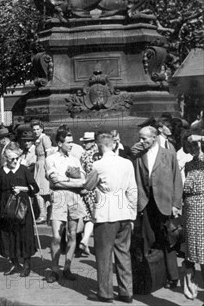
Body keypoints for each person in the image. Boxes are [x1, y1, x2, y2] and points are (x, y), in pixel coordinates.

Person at [84, 133, 137, 303]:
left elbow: (88, 186)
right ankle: (126, 292)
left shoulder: (98, 165)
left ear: (99, 146)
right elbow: (133, 190)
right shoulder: (127, 163)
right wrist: (132, 215)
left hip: (106, 213)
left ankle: (105, 293)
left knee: (104, 255)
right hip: (125, 212)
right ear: (113, 145)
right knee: (123, 253)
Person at [133, 126, 182, 289]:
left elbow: (177, 179)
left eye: (144, 138)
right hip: (147, 203)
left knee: (168, 240)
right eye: (140, 138)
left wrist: (176, 204)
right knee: (148, 240)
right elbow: (138, 180)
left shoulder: (168, 155)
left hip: (165, 203)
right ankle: (152, 277)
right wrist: (139, 203)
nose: (141, 141)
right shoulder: (139, 156)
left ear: (154, 137)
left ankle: (173, 276)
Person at [45, 129, 87, 283]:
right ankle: (55, 269)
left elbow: (84, 180)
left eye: (72, 141)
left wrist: (66, 181)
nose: (72, 145)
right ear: (60, 143)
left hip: (75, 198)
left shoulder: (75, 159)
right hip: (59, 197)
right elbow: (55, 181)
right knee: (56, 235)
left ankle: (67, 267)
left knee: (72, 234)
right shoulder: (51, 159)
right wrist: (74, 182)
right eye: (69, 142)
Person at [0, 143, 39, 277]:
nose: (14, 161)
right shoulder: (2, 172)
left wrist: (22, 189)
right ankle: (14, 263)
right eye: (11, 159)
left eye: (16, 158)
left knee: (24, 235)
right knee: (9, 235)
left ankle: (27, 264)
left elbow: (35, 188)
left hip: (22, 208)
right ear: (5, 158)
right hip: (7, 209)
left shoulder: (24, 170)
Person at [182, 132, 204, 300]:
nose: (195, 149)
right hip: (190, 211)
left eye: (197, 146)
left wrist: (199, 138)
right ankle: (191, 285)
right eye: (191, 147)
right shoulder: (188, 165)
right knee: (191, 252)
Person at [77, 131, 99, 257]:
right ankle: (87, 241)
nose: (85, 144)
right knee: (94, 217)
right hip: (93, 189)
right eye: (84, 142)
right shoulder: (94, 154)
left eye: (87, 142)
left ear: (93, 142)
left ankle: (85, 240)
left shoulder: (86, 155)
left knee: (90, 217)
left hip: (87, 188)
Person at [32, 120, 52, 224]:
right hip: (38, 164)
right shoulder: (37, 139)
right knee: (42, 191)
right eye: (34, 129)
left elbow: (49, 154)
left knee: (40, 191)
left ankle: (43, 215)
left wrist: (47, 168)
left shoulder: (45, 138)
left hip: (43, 164)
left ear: (42, 129)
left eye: (38, 129)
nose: (36, 131)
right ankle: (45, 214)